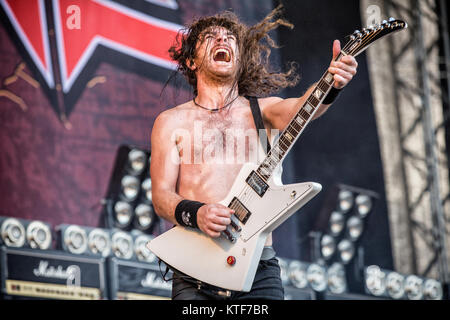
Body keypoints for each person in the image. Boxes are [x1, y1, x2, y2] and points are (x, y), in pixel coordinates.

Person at [150, 6, 358, 300]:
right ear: (191, 61)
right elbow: (161, 197)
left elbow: (306, 107)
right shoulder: (171, 122)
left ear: (240, 60)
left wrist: (332, 83)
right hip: (194, 268)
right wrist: (197, 214)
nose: (223, 41)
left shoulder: (264, 112)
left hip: (258, 267)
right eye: (210, 37)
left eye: (230, 38)